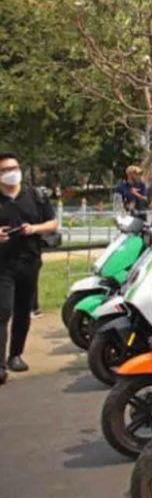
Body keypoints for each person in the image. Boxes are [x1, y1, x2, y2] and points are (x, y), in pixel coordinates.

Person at [0, 152, 58, 384]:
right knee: (2, 311)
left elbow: (52, 223)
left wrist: (33, 229)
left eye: (13, 168)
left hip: (30, 260)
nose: (10, 173)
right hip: (2, 264)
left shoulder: (35, 196)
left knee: (24, 310)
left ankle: (16, 355)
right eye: (4, 170)